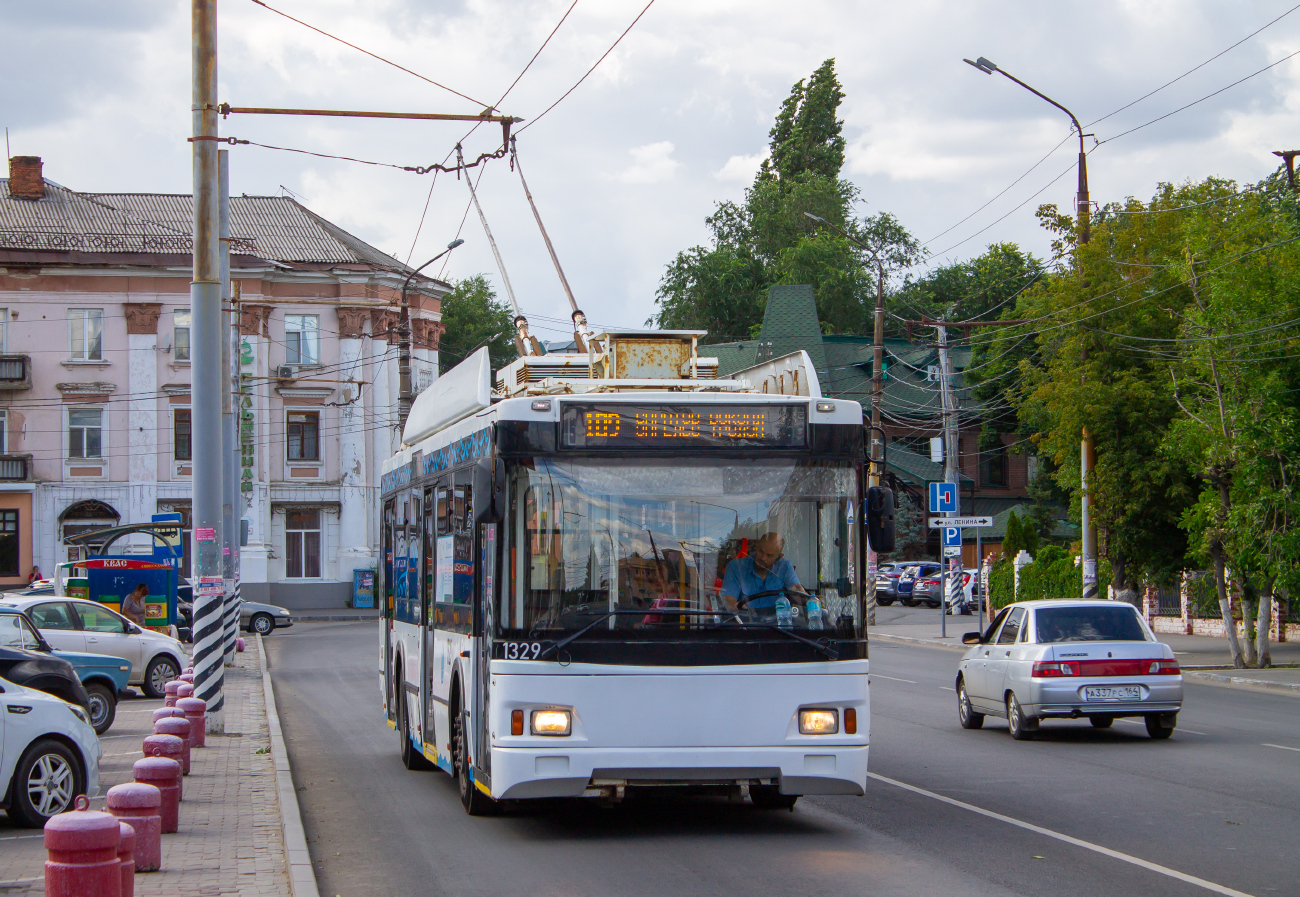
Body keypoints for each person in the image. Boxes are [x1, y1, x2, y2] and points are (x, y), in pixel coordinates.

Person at [719, 532, 805, 612]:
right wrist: (734, 606)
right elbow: (728, 601)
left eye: (769, 555)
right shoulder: (736, 567)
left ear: (779, 557)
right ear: (757, 547)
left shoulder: (785, 567)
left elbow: (797, 592)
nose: (763, 558)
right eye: (761, 551)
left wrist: (807, 599)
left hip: (778, 623)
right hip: (746, 623)